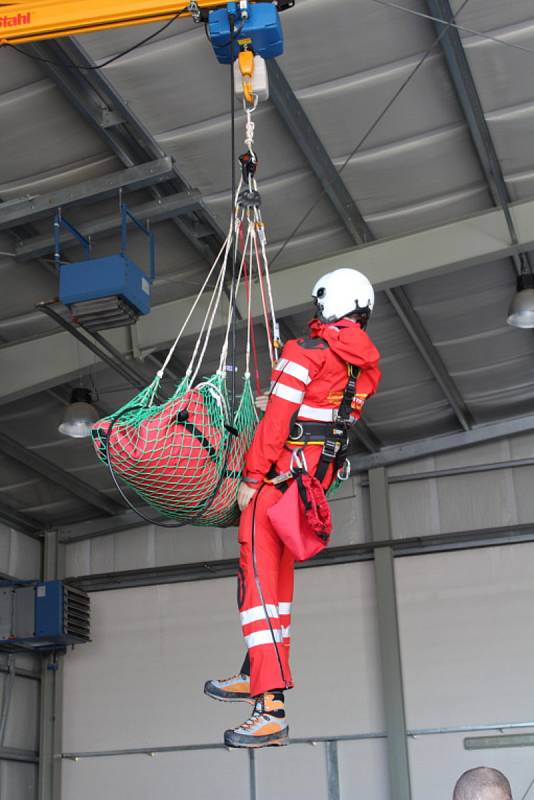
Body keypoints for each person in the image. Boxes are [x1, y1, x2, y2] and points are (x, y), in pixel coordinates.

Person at [204, 268, 381, 748]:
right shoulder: (363, 369)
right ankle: (255, 675)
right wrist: (281, 398)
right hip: (307, 494)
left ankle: (271, 710)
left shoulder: (302, 353)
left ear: (330, 304)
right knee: (276, 598)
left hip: (273, 488)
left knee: (257, 594)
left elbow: (277, 425)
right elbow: (323, 416)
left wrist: (250, 479)